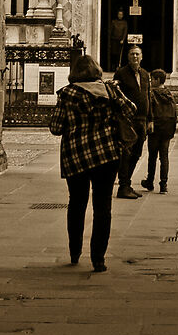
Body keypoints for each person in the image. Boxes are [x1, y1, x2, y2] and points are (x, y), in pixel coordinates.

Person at [49, 43, 125, 273]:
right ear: (96, 71)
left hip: (76, 157)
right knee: (103, 207)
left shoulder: (67, 94)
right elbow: (131, 110)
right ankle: (98, 258)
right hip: (106, 155)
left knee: (77, 203)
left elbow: (56, 128)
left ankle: (74, 251)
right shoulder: (109, 91)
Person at [114, 38, 152, 199]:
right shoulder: (121, 73)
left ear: (142, 57)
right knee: (126, 153)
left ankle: (127, 184)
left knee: (137, 153)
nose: (135, 57)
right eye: (132, 54)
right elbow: (116, 95)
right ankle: (123, 186)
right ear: (128, 57)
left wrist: (150, 119)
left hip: (142, 120)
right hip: (127, 120)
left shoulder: (145, 74)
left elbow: (148, 96)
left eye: (137, 54)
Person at [142, 65, 176, 194]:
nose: (151, 81)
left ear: (157, 80)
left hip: (155, 129)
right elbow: (174, 113)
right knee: (164, 157)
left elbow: (149, 110)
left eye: (152, 79)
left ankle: (150, 181)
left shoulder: (152, 94)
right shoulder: (169, 95)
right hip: (167, 129)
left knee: (152, 156)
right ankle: (163, 184)